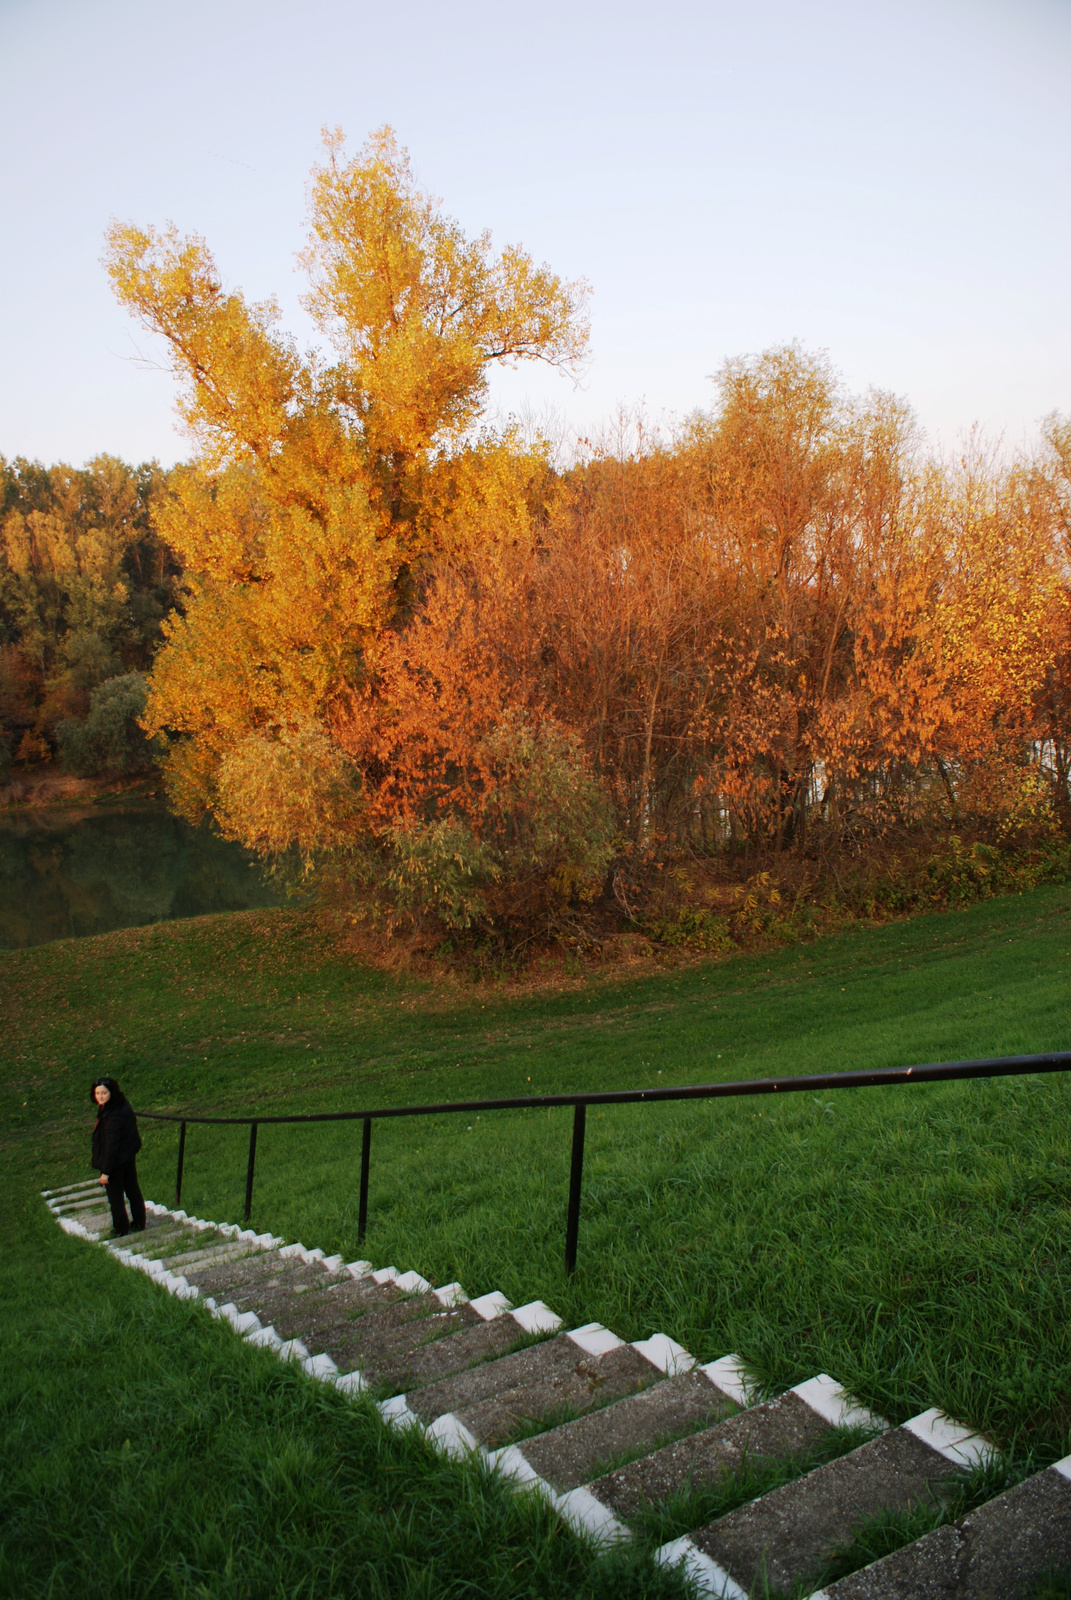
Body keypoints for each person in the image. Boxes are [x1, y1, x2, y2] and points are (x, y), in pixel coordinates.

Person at [91, 1078, 145, 1237]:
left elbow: (111, 1146)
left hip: (116, 1161)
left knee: (116, 1197)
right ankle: (139, 1222)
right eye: (97, 1093)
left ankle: (121, 1228)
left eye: (104, 1093)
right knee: (132, 1189)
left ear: (111, 1093)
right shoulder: (120, 1105)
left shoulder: (112, 1116)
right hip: (127, 1155)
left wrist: (106, 1172)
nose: (100, 1096)